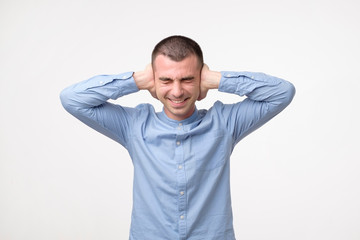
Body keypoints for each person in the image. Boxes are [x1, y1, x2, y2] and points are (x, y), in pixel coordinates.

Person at [60, 35, 295, 240]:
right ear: (154, 80)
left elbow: (282, 93)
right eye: (166, 80)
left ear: (201, 79)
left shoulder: (225, 123)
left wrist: (218, 79)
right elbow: (72, 99)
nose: (177, 91)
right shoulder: (133, 125)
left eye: (187, 79)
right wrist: (137, 80)